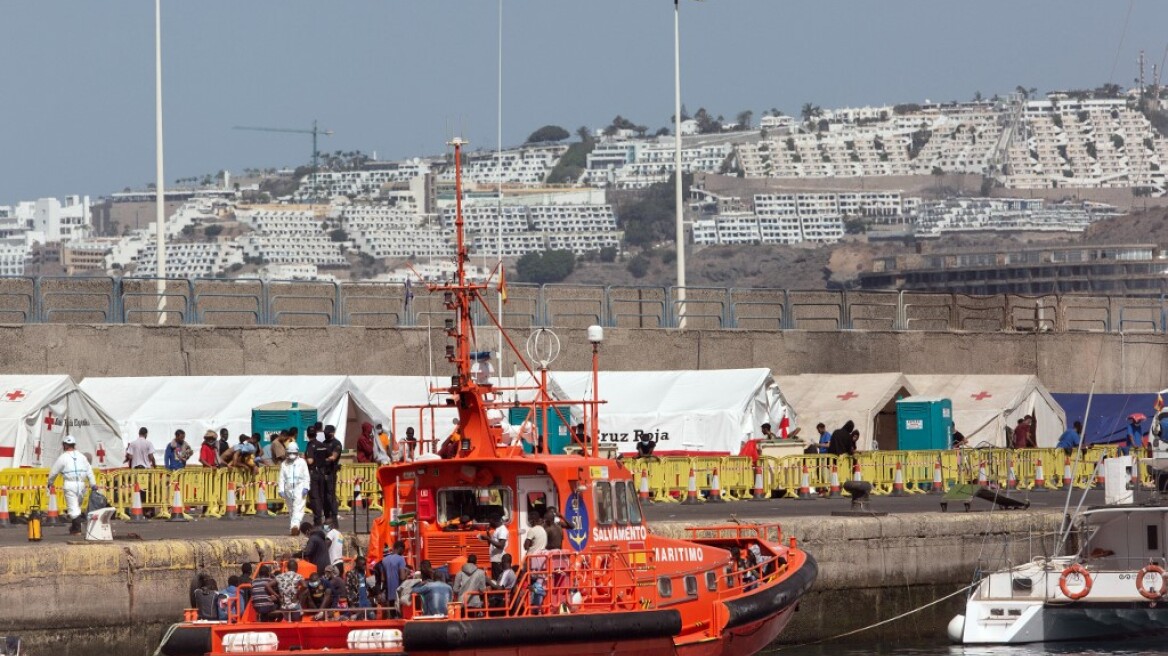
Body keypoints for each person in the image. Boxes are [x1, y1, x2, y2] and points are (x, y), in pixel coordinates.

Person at [47, 435, 98, 535]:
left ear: (65, 445)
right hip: (82, 485)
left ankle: (77, 529)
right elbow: (89, 471)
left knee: (73, 508)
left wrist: (50, 482)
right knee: (76, 507)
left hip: (70, 485)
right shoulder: (82, 457)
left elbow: (53, 472)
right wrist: (93, 484)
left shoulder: (63, 457)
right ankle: (75, 527)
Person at [307, 425, 343, 527]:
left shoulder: (337, 444)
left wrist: (319, 460)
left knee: (330, 496)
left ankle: (334, 519)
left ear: (333, 432)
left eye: (329, 432)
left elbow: (333, 457)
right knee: (323, 497)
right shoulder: (323, 444)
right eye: (325, 432)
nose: (327, 434)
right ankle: (327, 518)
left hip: (331, 473)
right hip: (322, 473)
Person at [278, 442, 311, 536]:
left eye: (294, 453)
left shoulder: (302, 462)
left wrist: (306, 487)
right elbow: (281, 478)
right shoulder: (284, 464)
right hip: (288, 489)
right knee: (291, 510)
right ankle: (294, 527)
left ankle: (294, 527)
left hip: (299, 489)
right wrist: (281, 489)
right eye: (289, 453)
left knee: (298, 508)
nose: (291, 455)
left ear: (297, 453)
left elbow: (306, 476)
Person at [377, 541, 409, 610]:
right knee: (399, 614)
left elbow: (383, 578)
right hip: (398, 593)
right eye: (403, 550)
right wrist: (407, 573)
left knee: (391, 613)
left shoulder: (384, 560)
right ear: (400, 548)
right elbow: (402, 577)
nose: (403, 552)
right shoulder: (401, 559)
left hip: (389, 594)